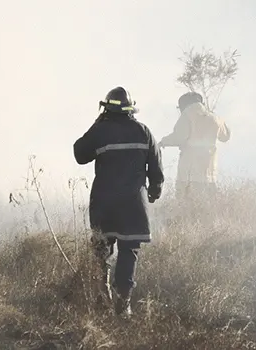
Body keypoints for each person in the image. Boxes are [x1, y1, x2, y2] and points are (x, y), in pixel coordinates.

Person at [73, 86, 164, 316]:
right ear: (130, 110)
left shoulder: (101, 131)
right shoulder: (144, 132)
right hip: (133, 205)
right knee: (128, 251)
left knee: (101, 249)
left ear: (106, 109)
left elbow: (79, 154)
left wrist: (97, 124)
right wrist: (154, 191)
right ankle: (123, 305)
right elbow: (156, 169)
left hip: (104, 204)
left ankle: (102, 298)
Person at [158, 92, 231, 201]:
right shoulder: (214, 118)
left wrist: (163, 142)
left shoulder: (187, 115)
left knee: (184, 204)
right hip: (210, 174)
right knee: (208, 206)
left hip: (189, 174)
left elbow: (179, 137)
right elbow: (225, 137)